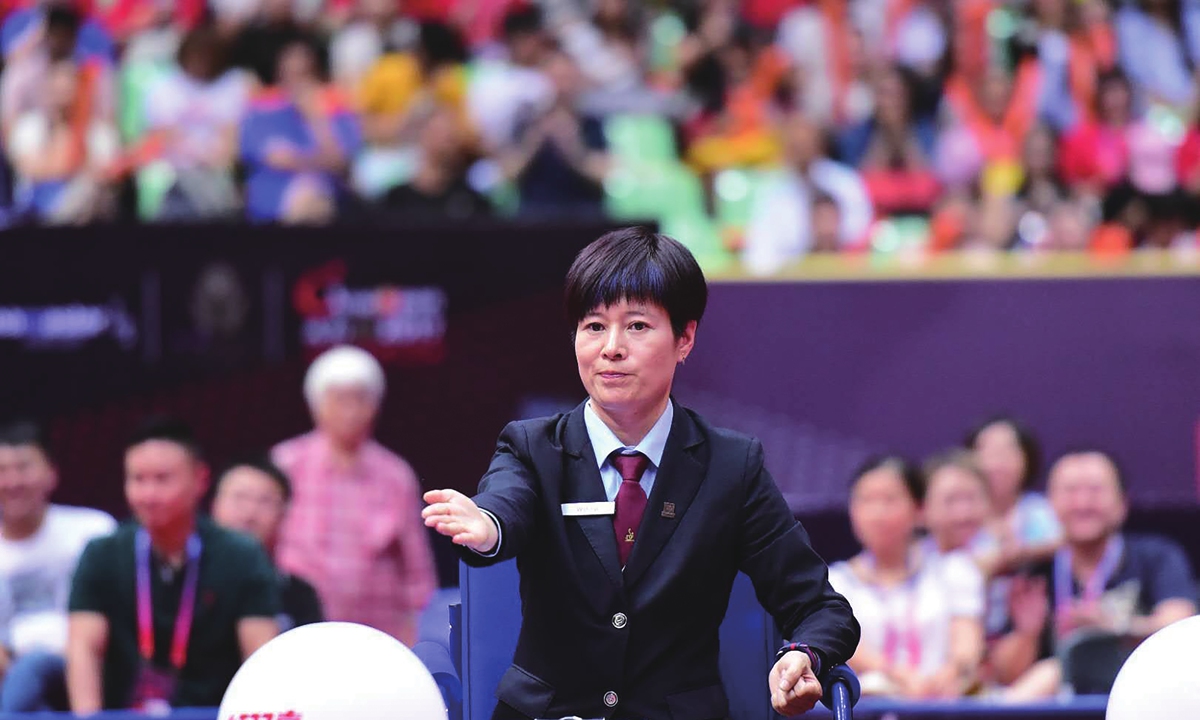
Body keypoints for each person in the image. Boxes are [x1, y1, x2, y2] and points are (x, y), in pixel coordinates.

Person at [422, 227, 860, 720]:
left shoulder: (731, 466)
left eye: (636, 326)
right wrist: (489, 528)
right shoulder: (531, 447)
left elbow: (822, 609)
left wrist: (804, 654)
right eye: (593, 327)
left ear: (684, 338)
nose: (611, 348)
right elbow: (508, 504)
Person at [66, 418, 280, 712]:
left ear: (200, 479)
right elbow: (84, 648)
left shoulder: (242, 556)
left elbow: (260, 658)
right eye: (138, 479)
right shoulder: (102, 553)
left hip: (216, 714)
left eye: (163, 478)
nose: (149, 495)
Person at [991, 450, 1197, 700]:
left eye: (1096, 491)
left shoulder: (1156, 556)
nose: (1082, 503)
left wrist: (1116, 626)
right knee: (1048, 672)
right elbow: (1006, 675)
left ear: (1122, 503)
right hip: (1057, 707)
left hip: (1144, 696)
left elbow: (1180, 626)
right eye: (1070, 491)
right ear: (1050, 505)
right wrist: (1027, 635)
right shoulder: (1036, 574)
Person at [273, 345, 436, 646]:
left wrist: (418, 640)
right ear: (316, 405)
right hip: (299, 635)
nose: (350, 411)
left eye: (360, 399)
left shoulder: (396, 475)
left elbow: (418, 573)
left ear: (376, 406)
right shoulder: (285, 464)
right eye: (339, 399)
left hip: (378, 637)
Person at [828, 457, 985, 699]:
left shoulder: (954, 571)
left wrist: (949, 674)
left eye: (890, 500)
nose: (877, 513)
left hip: (941, 707)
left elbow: (967, 643)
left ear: (919, 509)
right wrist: (897, 675)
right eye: (866, 500)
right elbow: (842, 645)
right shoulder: (834, 582)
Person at [0, 421, 116, 712]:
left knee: (34, 667)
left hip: (87, 666)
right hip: (9, 674)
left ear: (52, 473)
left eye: (24, 467)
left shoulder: (93, 531)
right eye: (2, 470)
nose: (12, 482)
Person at [211, 456, 324, 633]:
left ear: (284, 514)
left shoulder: (300, 595)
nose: (250, 513)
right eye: (240, 498)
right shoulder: (187, 580)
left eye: (264, 501)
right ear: (214, 503)